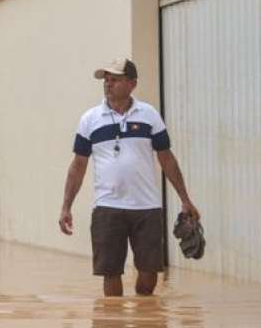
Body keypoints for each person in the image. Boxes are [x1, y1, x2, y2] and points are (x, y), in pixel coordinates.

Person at [59, 58, 200, 297]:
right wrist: (66, 207)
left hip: (147, 208)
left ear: (132, 83)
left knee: (149, 275)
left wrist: (185, 200)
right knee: (110, 273)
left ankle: (143, 321)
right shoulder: (90, 119)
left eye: (115, 79)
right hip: (107, 208)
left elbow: (167, 158)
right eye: (106, 80)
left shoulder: (149, 115)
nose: (108, 84)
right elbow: (78, 166)